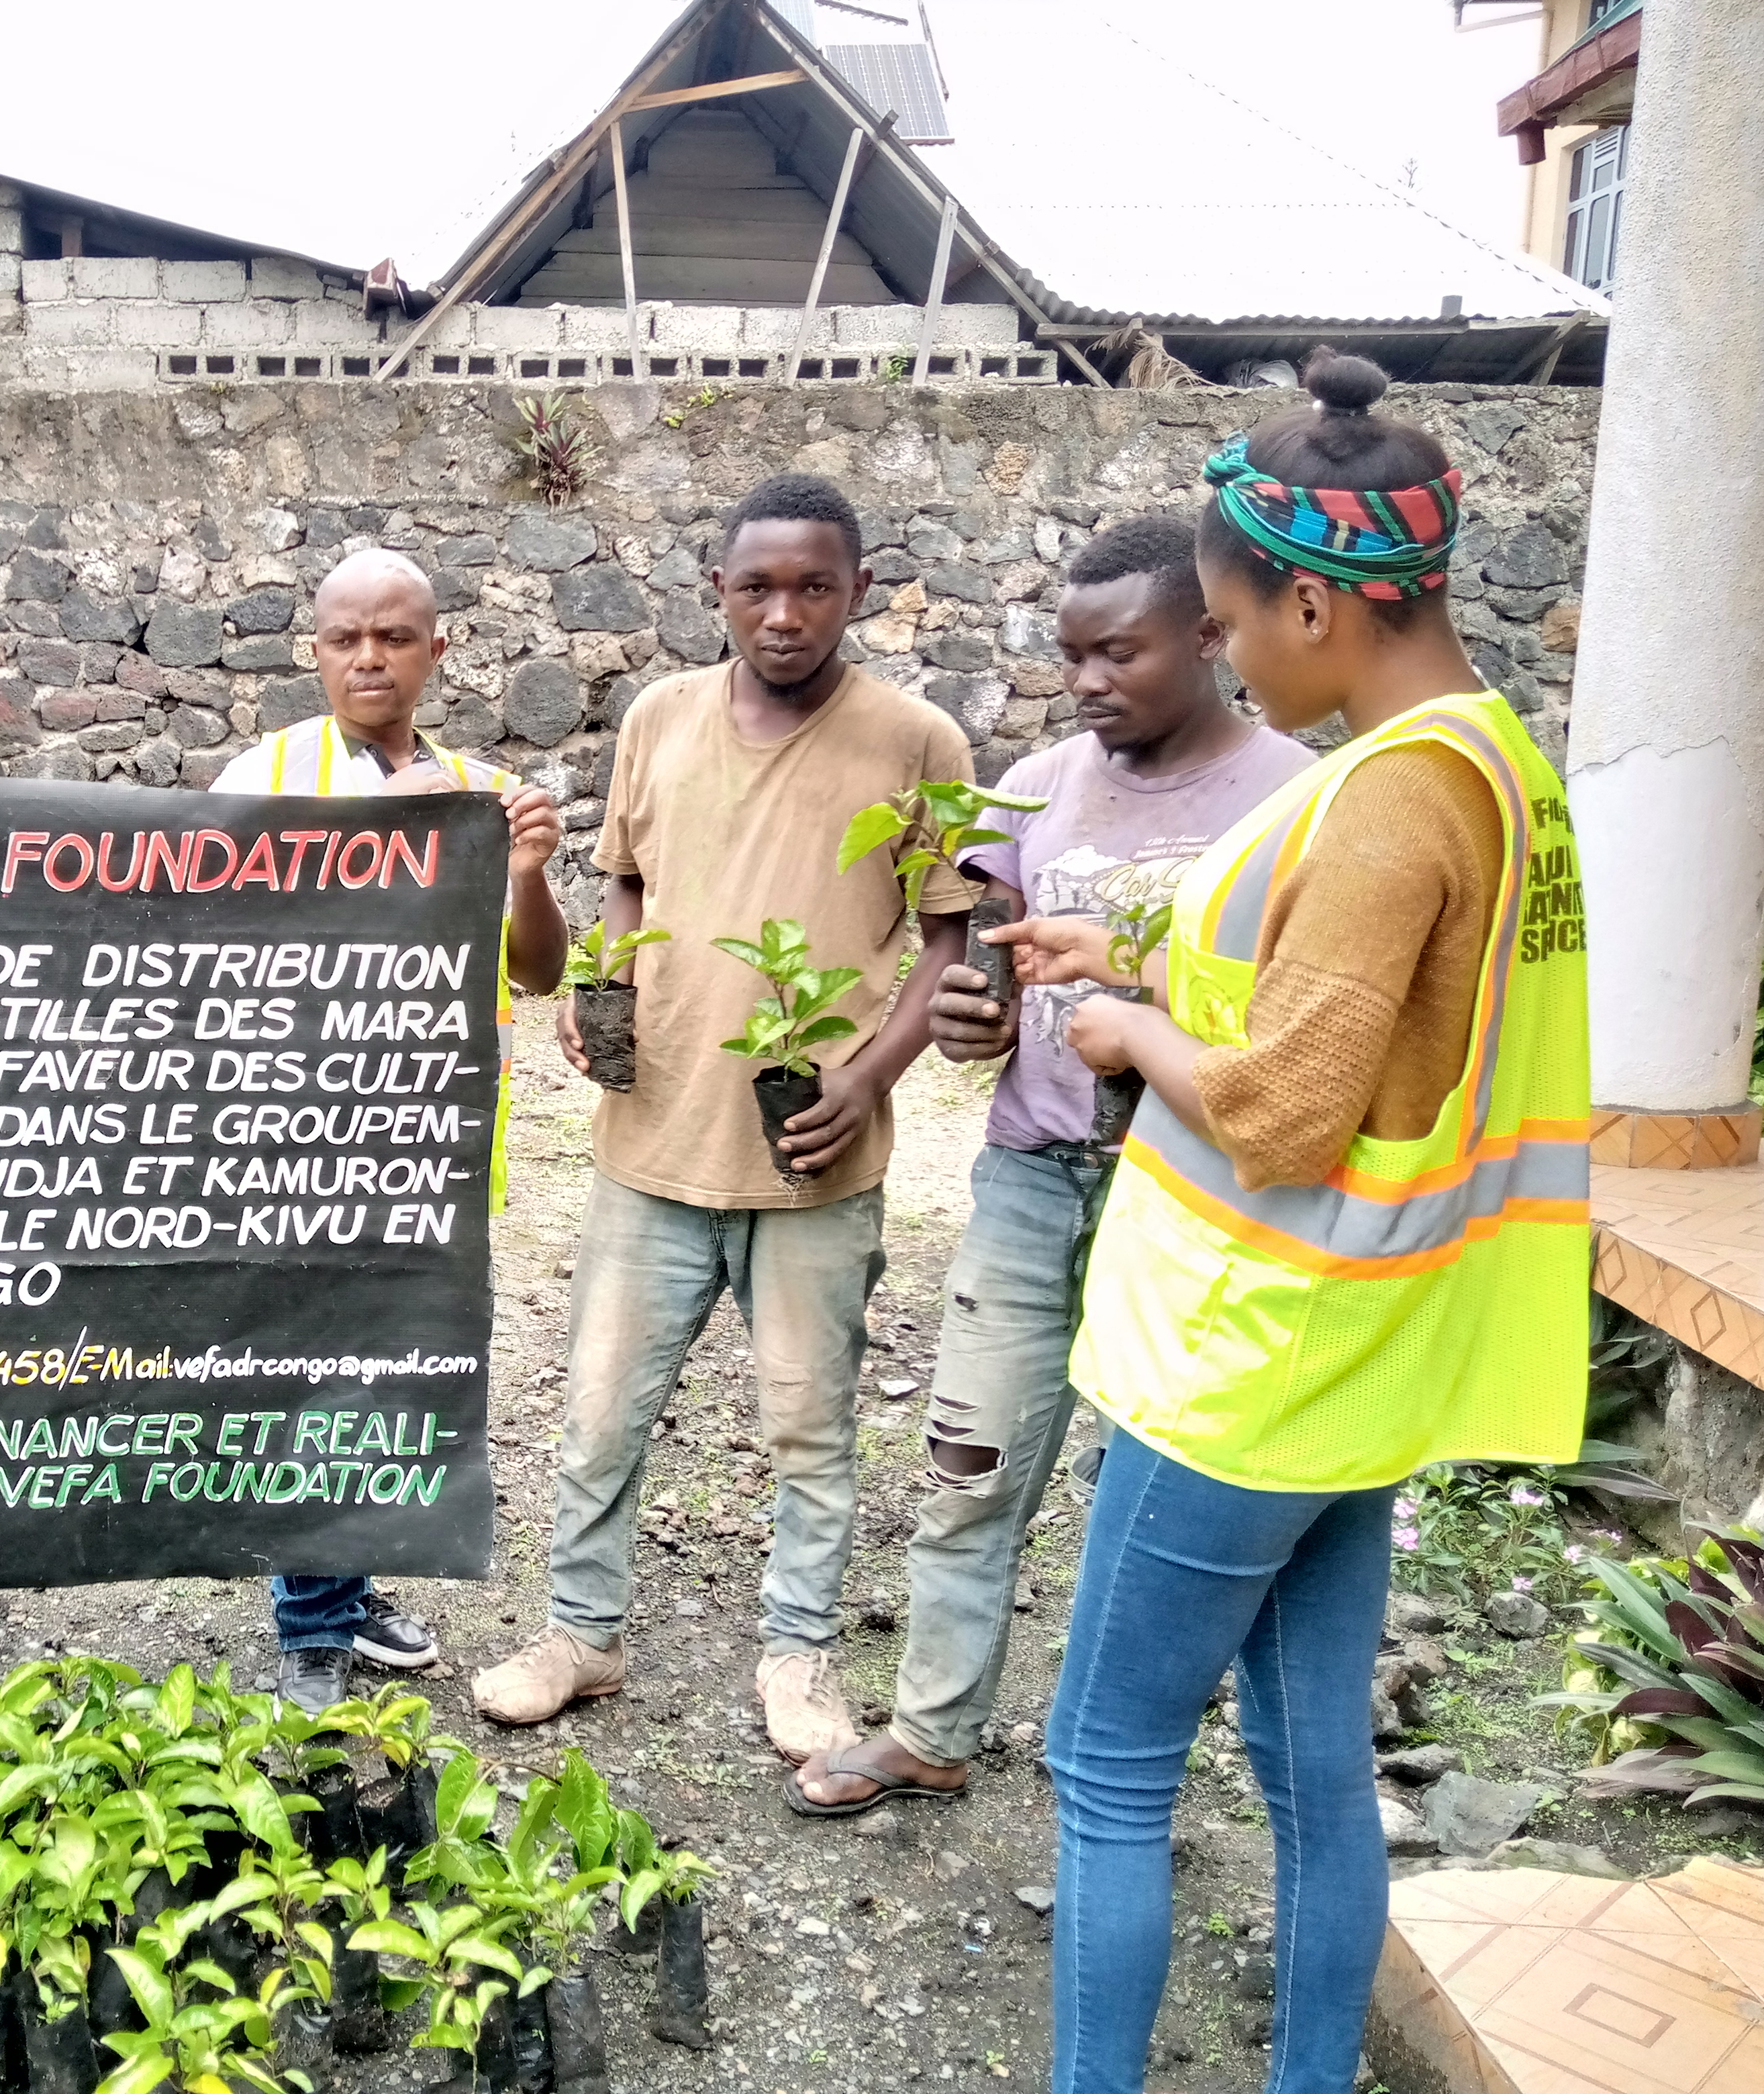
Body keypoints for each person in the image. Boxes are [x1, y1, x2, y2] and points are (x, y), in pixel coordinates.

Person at [995, 351, 1587, 2093]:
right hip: (1372, 1365)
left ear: (1317, 602)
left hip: (1253, 1364)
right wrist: (1135, 951)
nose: (1232, 660)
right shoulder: (1494, 768)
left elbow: (1284, 1102)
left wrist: (1120, 1037)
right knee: (1313, 1764)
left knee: (1107, 1761)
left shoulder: (1395, 795)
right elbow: (1356, 996)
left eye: (1237, 625)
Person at [787, 513, 1316, 1819]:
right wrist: (970, 1019)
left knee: (1146, 1488)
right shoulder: (1035, 785)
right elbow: (976, 978)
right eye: (1071, 658)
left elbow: (1306, 1027)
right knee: (970, 1457)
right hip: (1031, 1182)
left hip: (1197, 1197)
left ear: (1206, 637)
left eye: (1117, 654)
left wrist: (1143, 1000)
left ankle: (1137, 1753)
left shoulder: (1292, 799)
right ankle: (929, 1727)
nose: (1087, 684)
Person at [473, 472, 979, 1765]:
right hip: (656, 1137)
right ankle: (583, 1636)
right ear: (718, 592)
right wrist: (602, 998)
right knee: (598, 1412)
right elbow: (629, 895)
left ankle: (800, 1653)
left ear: (860, 591)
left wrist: (864, 1084)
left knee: (809, 1424)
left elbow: (946, 952)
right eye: (758, 586)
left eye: (817, 585)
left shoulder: (918, 743)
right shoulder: (659, 720)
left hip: (816, 1147)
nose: (787, 612)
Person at [207, 548, 567, 1713]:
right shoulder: (263, 774)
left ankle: (342, 1590)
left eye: (395, 637)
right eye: (346, 638)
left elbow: (538, 969)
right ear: (312, 650)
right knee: (311, 1366)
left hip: (431, 1140)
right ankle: (310, 1619)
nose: (370, 658)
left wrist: (521, 873)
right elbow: (198, 926)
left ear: (437, 651)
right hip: (300, 1130)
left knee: (388, 1371)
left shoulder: (478, 787)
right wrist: (362, 827)